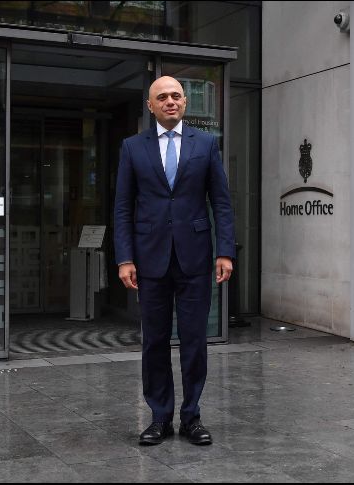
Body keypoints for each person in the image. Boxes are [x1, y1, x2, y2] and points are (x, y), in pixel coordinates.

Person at [114, 76, 236, 446]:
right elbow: (122, 207)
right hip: (149, 258)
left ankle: (192, 417)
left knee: (194, 340)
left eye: (176, 96)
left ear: (184, 102)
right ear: (150, 105)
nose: (170, 101)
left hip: (194, 257)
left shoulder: (206, 143)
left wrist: (225, 251)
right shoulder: (132, 147)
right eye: (162, 97)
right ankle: (159, 418)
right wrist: (124, 258)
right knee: (154, 341)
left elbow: (221, 202)